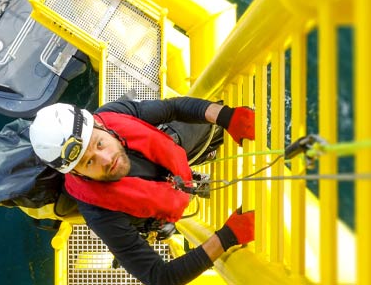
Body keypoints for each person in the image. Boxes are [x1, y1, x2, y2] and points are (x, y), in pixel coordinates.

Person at [29, 97, 257, 285]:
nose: (107, 159)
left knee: (208, 119)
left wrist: (227, 116)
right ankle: (162, 218)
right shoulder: (100, 214)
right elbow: (159, 276)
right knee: (157, 219)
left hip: (161, 161)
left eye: (99, 144)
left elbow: (172, 108)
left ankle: (197, 163)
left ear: (100, 126)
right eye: (89, 162)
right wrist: (227, 236)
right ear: (77, 174)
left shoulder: (113, 115)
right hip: (141, 207)